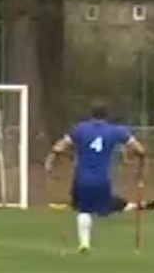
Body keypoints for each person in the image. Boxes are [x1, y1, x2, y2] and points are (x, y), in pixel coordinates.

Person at [44, 103, 147, 254]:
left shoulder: (80, 129)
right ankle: (135, 207)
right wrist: (140, 160)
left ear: (91, 115)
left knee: (84, 210)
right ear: (107, 116)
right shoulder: (116, 131)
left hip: (82, 178)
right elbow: (139, 149)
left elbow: (60, 147)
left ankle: (84, 243)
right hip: (103, 179)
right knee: (105, 209)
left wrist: (50, 161)